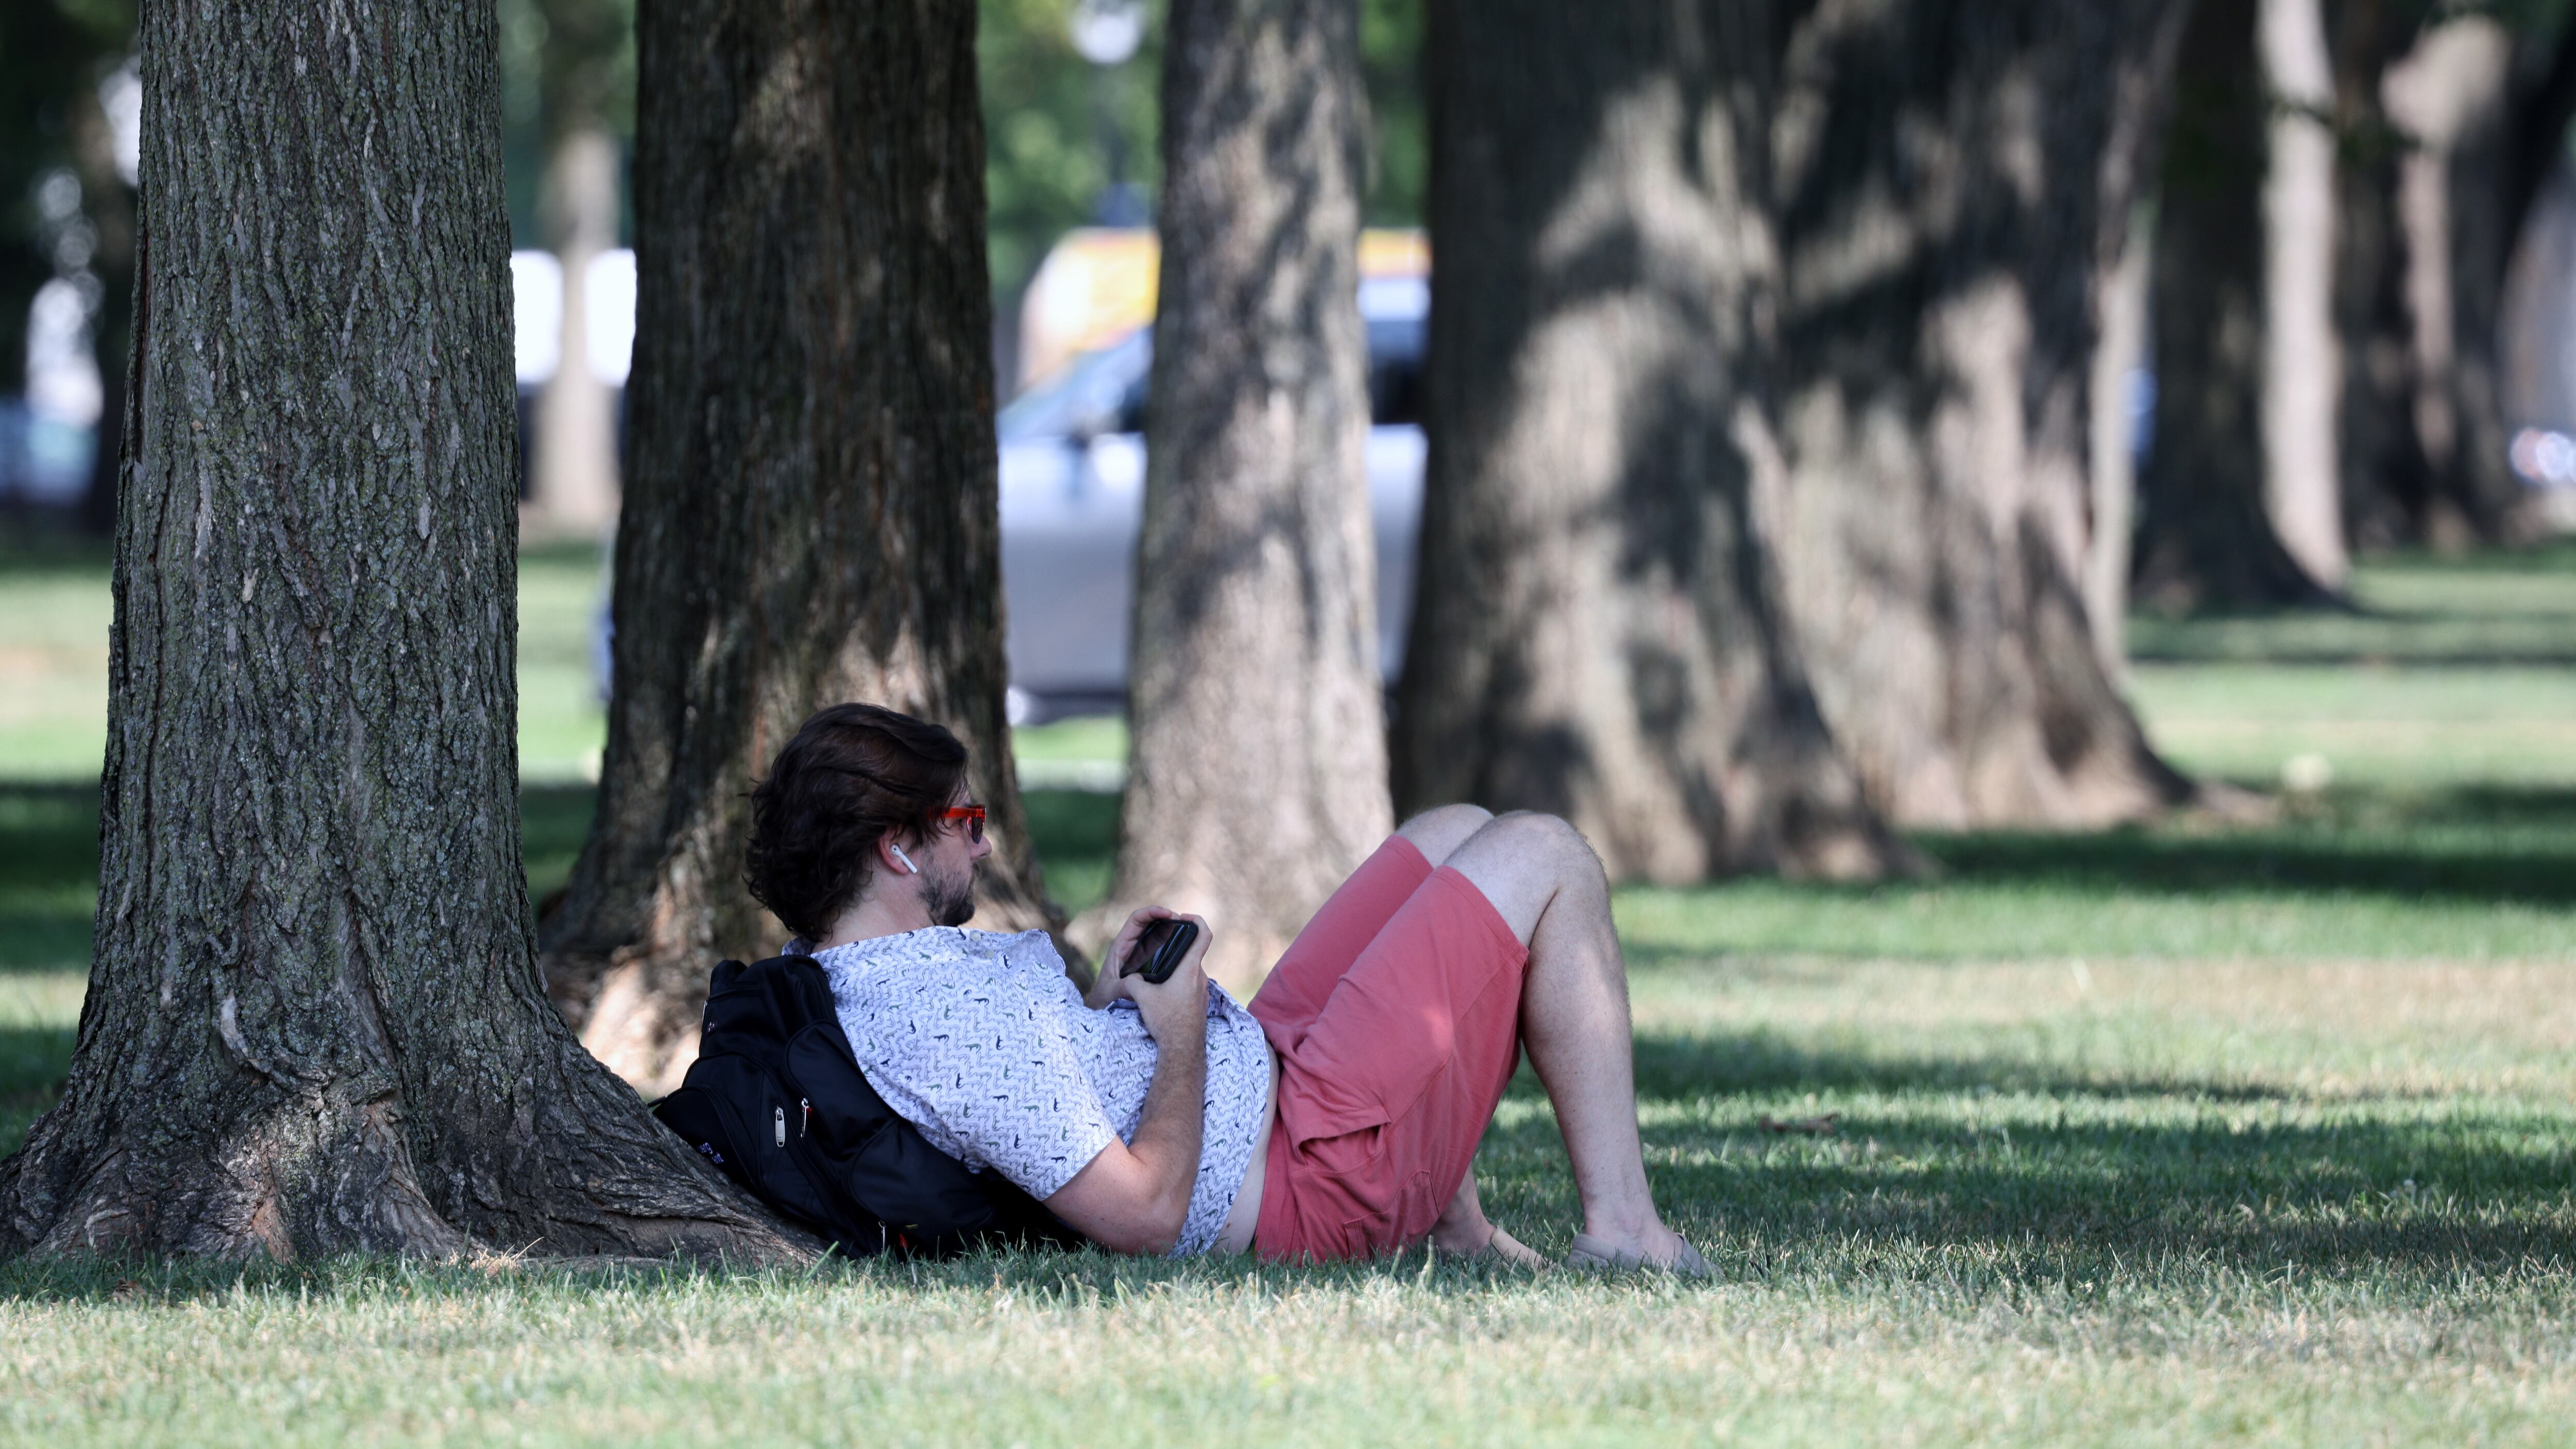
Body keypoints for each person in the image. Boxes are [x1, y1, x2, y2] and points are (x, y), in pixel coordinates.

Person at [745, 702, 1709, 1273]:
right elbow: (1147, 1215)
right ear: (895, 851)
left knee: (1452, 830)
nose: (985, 839)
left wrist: (1117, 1004)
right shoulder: (933, 1020)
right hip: (1308, 1173)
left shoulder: (873, 975)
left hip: (1276, 1079)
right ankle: (1625, 1228)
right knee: (1546, 852)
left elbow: (1050, 1093)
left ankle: (1455, 1224)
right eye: (963, 820)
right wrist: (1175, 1031)